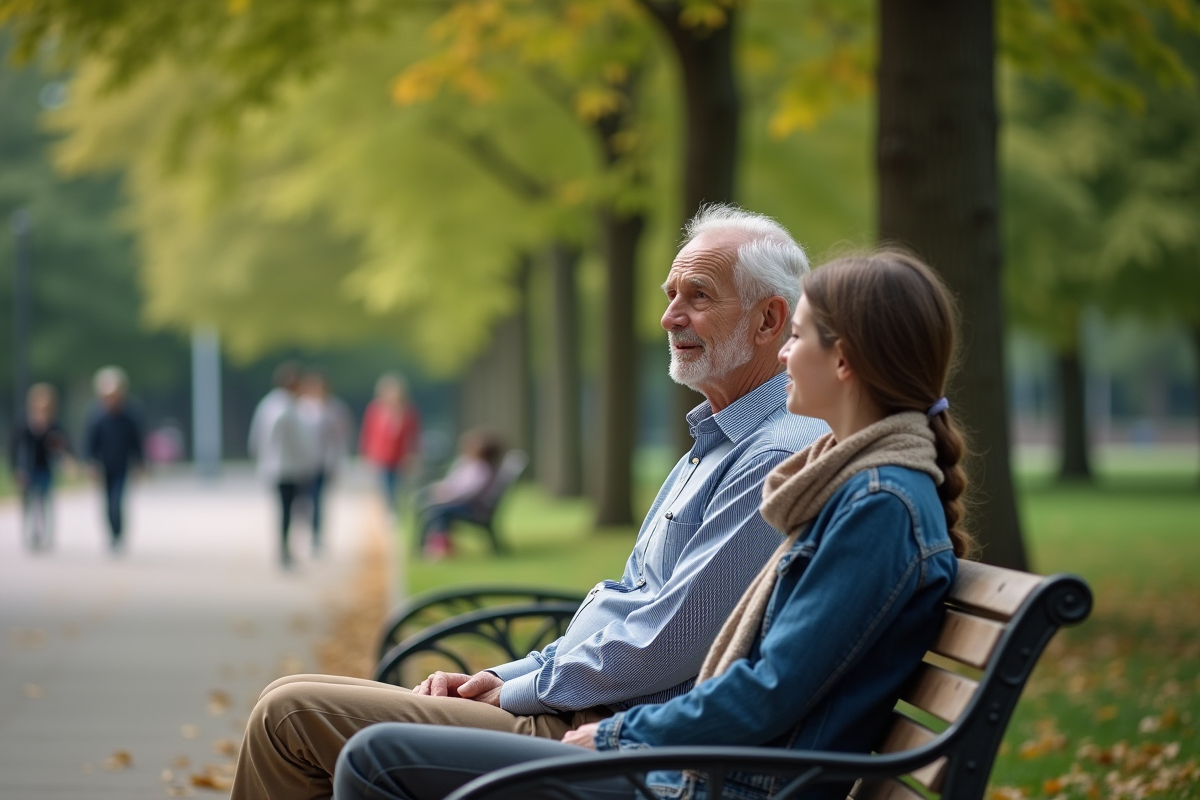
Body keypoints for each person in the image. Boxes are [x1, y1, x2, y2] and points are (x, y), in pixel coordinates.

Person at [229, 203, 828, 800]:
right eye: (670, 294)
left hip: (610, 741)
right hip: (587, 715)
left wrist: (519, 687)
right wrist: (499, 674)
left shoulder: (770, 455)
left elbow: (667, 641)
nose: (671, 316)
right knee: (292, 705)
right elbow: (633, 603)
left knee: (288, 716)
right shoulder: (720, 440)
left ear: (769, 320)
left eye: (698, 296)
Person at [333, 248, 972, 800]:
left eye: (798, 336)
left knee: (374, 757)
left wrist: (616, 736)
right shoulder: (863, 487)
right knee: (364, 744)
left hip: (714, 781)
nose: (785, 352)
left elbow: (769, 691)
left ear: (843, 362)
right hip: (711, 767)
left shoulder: (877, 505)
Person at [248, 361, 318, 569]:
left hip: (284, 466)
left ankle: (286, 549)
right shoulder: (282, 407)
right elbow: (291, 440)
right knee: (287, 510)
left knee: (289, 510)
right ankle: (284, 550)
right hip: (285, 468)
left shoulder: (275, 405)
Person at [417, 428, 505, 558]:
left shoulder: (482, 469)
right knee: (428, 504)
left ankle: (440, 545)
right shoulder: (469, 464)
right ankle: (436, 543)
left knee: (439, 510)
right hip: (462, 502)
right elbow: (456, 482)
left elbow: (471, 492)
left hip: (471, 507)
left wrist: (448, 496)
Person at [84, 366, 145, 554]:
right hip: (104, 464)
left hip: (123, 464)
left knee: (117, 501)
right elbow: (90, 441)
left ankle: (119, 534)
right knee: (107, 502)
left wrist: (140, 464)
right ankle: (112, 534)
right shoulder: (97, 415)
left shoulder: (130, 414)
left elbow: (137, 441)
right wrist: (90, 463)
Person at [9, 383, 73, 552]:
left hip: (45, 468)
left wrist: (67, 458)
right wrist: (16, 468)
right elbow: (14, 447)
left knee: (45, 502)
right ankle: (31, 534)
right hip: (27, 468)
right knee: (29, 503)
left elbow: (64, 444)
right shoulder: (24, 422)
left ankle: (46, 535)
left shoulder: (54, 424)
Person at [298, 369, 355, 555]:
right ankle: (306, 529)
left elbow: (341, 438)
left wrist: (337, 462)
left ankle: (317, 535)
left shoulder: (335, 409)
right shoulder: (302, 408)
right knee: (304, 501)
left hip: (324, 463)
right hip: (304, 462)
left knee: (318, 500)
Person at [359, 373, 422, 517]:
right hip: (381, 457)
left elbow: (414, 436)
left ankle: (397, 514)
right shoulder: (375, 410)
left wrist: (414, 455)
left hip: (401, 458)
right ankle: (389, 515)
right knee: (386, 488)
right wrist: (366, 455)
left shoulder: (408, 411)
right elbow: (367, 433)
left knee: (399, 489)